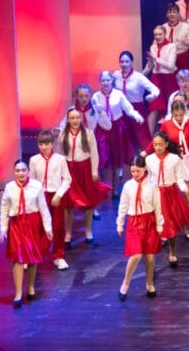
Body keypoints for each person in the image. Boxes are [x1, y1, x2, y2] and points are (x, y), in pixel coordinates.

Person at [0, 160, 53, 306]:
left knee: (31, 257)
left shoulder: (36, 186)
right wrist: (3, 228)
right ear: (14, 172)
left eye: (23, 170)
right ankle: (17, 293)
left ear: (28, 171)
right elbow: (4, 208)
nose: (21, 173)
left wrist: (48, 228)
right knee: (17, 258)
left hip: (32, 224)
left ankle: (30, 287)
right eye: (17, 170)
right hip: (16, 224)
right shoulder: (9, 187)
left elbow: (43, 207)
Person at [57, 107, 111, 246]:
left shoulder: (88, 133)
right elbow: (61, 155)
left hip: (85, 169)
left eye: (77, 118)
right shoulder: (63, 135)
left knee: (88, 202)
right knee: (68, 204)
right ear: (68, 120)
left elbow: (94, 153)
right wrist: (61, 174)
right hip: (70, 170)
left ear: (80, 119)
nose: (75, 120)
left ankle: (88, 231)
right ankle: (68, 233)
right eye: (72, 118)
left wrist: (94, 171)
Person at [116, 155, 164, 301]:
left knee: (149, 256)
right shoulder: (128, 186)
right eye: (132, 171)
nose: (135, 174)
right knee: (136, 254)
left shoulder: (152, 185)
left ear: (144, 169)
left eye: (138, 171)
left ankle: (149, 283)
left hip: (148, 221)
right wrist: (120, 223)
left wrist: (159, 223)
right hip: (135, 222)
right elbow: (123, 205)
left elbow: (157, 205)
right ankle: (126, 282)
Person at [145, 132, 189, 269]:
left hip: (170, 194)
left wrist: (184, 188)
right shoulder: (149, 159)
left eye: (160, 144)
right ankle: (151, 256)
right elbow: (149, 178)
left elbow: (179, 177)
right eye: (155, 145)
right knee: (154, 226)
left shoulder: (174, 159)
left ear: (166, 144)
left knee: (170, 225)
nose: (158, 147)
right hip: (156, 193)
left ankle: (172, 253)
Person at [28, 131, 71, 271]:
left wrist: (59, 194)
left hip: (56, 194)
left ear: (52, 144)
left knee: (58, 225)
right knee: (38, 225)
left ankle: (59, 256)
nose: (44, 147)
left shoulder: (60, 159)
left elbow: (67, 179)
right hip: (40, 195)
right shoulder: (34, 160)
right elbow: (32, 180)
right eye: (41, 143)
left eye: (46, 143)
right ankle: (35, 254)